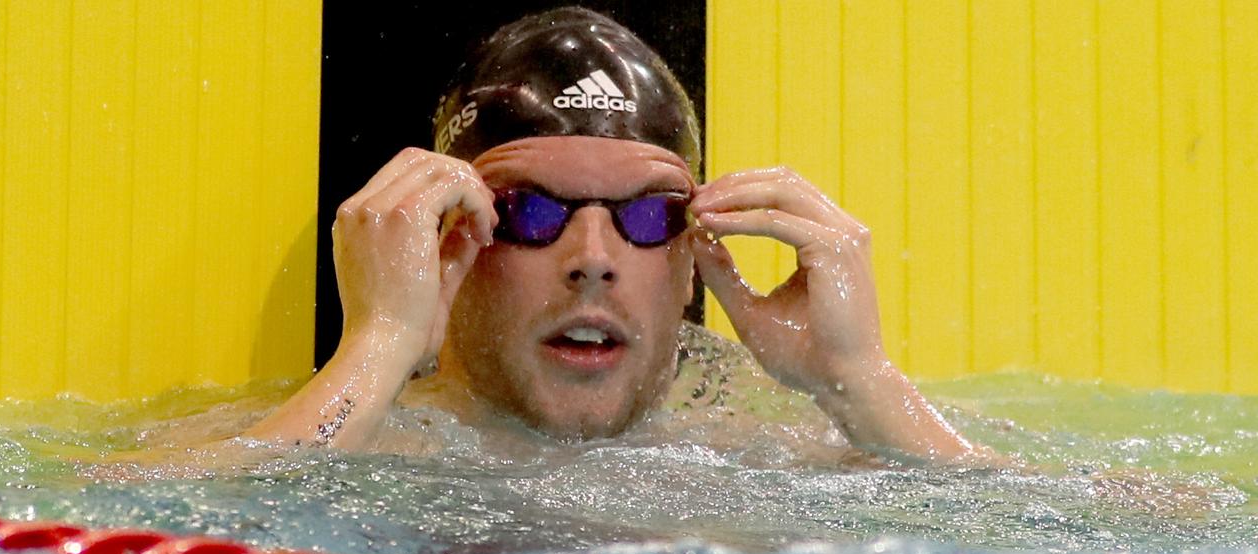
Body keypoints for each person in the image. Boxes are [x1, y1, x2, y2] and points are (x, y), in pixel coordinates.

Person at [244, 7, 988, 465]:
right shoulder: (342, 442)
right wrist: (376, 346)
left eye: (647, 216)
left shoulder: (765, 454)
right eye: (528, 213)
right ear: (447, 245)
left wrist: (858, 382)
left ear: (691, 259)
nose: (594, 262)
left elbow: (1079, 527)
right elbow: (152, 546)